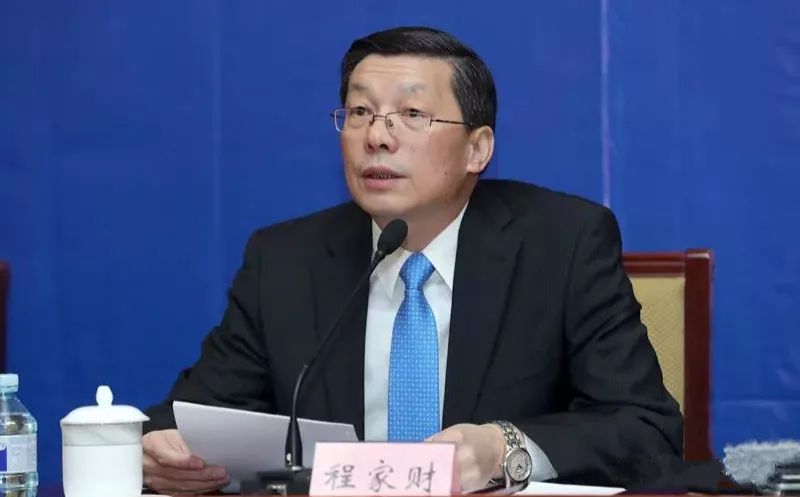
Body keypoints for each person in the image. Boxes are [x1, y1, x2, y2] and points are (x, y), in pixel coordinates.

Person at [142, 26, 683, 495]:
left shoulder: (562, 245)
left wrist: (504, 449)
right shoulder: (285, 261)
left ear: (477, 149)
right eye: (360, 112)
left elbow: (645, 428)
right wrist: (162, 453)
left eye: (412, 114)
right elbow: (188, 417)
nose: (377, 137)